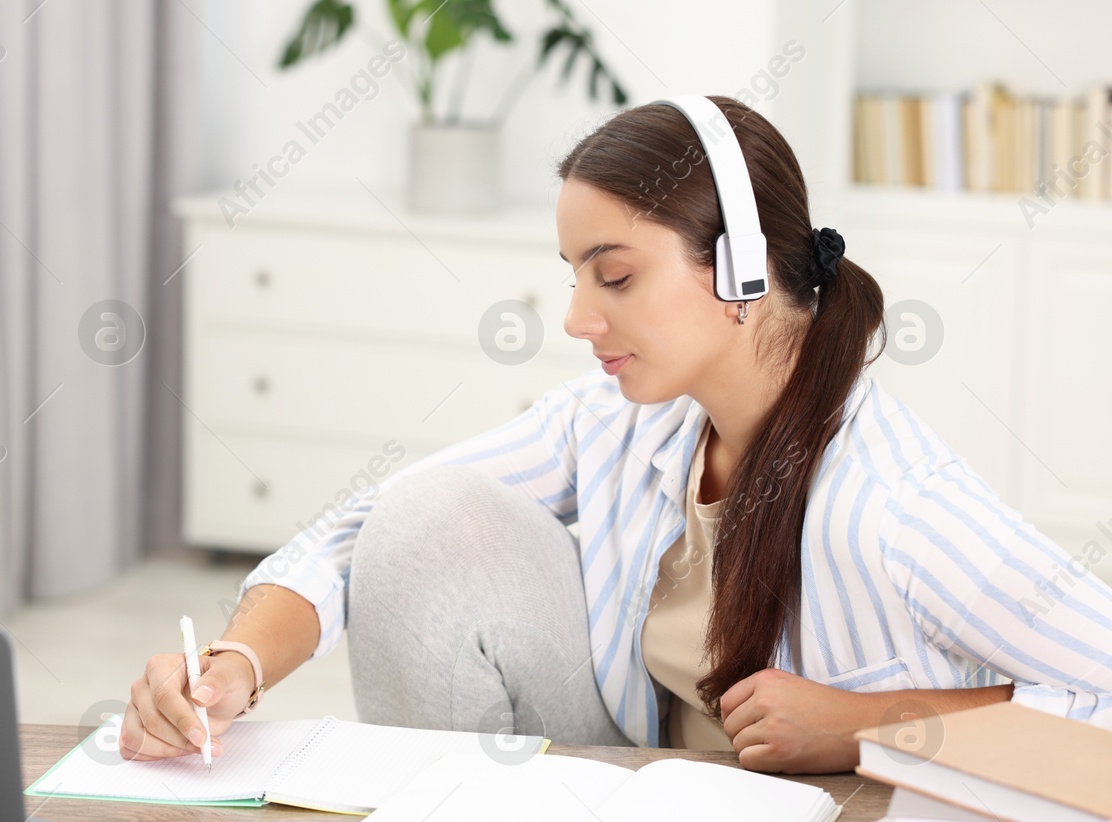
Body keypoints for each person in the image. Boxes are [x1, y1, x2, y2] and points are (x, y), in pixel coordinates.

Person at [123, 94, 1112, 774]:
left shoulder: (895, 507)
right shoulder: (619, 424)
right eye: (573, 273)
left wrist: (861, 730)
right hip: (645, 804)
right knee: (425, 518)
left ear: (738, 270)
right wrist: (232, 669)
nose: (576, 318)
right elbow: (361, 530)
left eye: (615, 273)